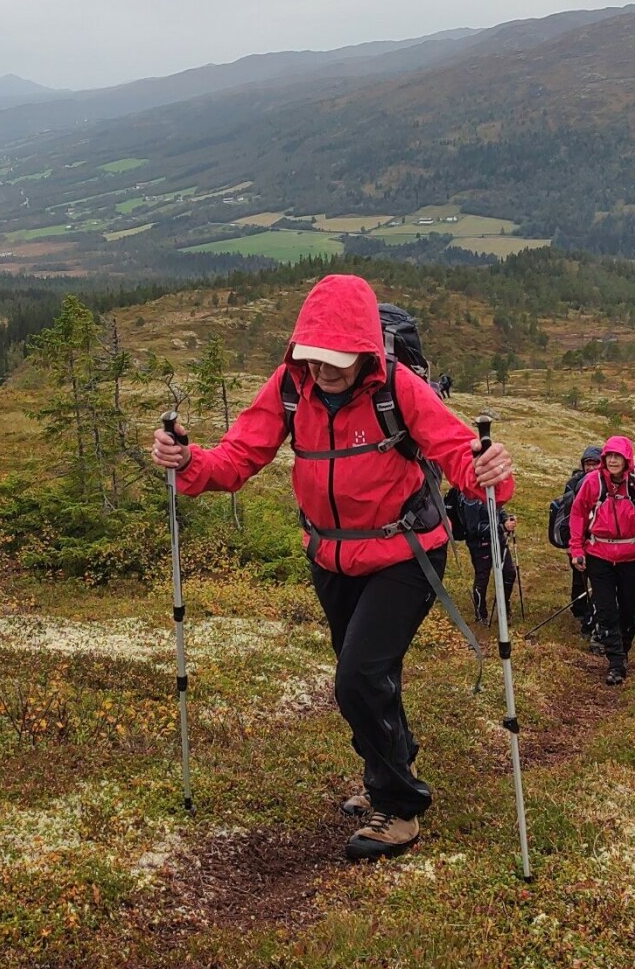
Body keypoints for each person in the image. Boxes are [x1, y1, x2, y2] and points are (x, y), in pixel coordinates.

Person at [151, 274, 514, 861]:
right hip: (331, 556)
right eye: (314, 357)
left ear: (366, 352)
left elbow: (457, 452)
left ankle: (398, 807)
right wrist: (189, 460)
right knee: (368, 674)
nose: (324, 370)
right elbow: (240, 454)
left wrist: (489, 468)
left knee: (358, 678)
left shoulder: (399, 388)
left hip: (407, 553)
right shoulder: (292, 386)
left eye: (337, 360)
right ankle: (388, 763)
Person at [568, 436, 635, 687]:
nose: (612, 460)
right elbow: (578, 514)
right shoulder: (592, 482)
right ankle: (615, 662)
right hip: (598, 555)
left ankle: (623, 651)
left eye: (617, 456)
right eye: (609, 456)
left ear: (627, 459)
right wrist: (576, 549)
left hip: (632, 556)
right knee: (605, 609)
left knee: (628, 608)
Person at [446, 488, 517, 622]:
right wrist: (502, 527)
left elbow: (498, 508)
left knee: (509, 573)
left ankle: (504, 606)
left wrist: (506, 519)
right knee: (483, 577)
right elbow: (474, 529)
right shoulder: (470, 497)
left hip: (498, 540)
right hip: (480, 545)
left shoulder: (491, 487)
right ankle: (481, 615)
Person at [565, 446, 602, 648]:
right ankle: (582, 614)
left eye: (594, 463)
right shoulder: (574, 484)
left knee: (596, 583)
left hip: (597, 543)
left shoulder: (606, 483)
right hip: (580, 540)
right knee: (581, 579)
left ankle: (590, 619)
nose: (591, 468)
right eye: (588, 463)